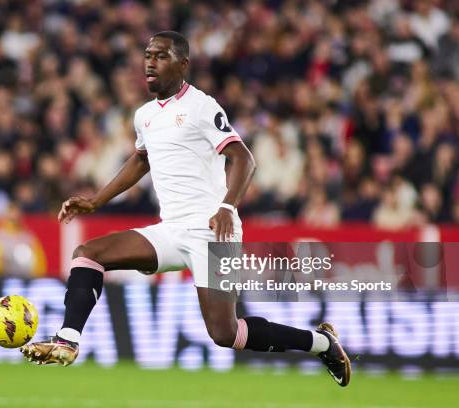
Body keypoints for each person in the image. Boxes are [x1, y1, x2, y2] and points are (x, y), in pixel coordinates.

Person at [21, 31, 351, 386]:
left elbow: (244, 158)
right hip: (171, 229)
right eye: (147, 54)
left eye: (161, 56)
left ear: (182, 64)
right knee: (88, 254)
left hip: (213, 230)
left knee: (226, 333)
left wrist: (227, 206)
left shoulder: (202, 106)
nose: (150, 62)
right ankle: (68, 340)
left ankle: (321, 343)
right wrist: (96, 200)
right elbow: (141, 160)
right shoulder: (145, 115)